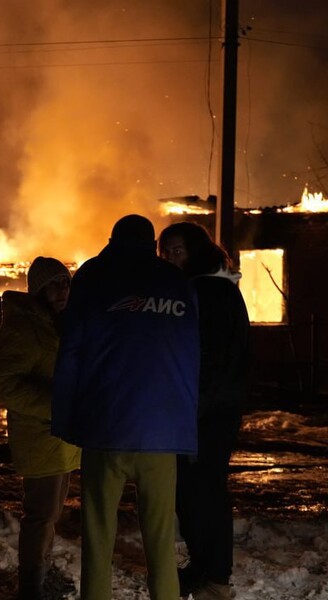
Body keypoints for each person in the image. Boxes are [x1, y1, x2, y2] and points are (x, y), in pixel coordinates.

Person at [51, 214, 199, 600]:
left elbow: (71, 352)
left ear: (112, 240)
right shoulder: (176, 283)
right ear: (152, 244)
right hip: (162, 434)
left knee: (98, 537)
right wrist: (186, 426)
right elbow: (191, 356)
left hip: (105, 429)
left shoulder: (93, 276)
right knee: (161, 541)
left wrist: (65, 421)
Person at [159, 222, 250, 600]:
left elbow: (208, 360)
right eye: (164, 254)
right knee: (194, 492)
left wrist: (192, 412)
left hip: (205, 411)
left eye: (176, 252)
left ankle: (215, 578)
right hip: (211, 407)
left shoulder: (207, 291)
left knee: (205, 493)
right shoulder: (212, 287)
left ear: (195, 251)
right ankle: (202, 566)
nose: (169, 260)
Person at [0, 256, 81, 600]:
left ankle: (41, 574)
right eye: (53, 284)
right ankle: (31, 587)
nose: (61, 290)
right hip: (40, 435)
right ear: (38, 290)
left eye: (65, 282)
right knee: (40, 516)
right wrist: (57, 406)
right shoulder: (24, 325)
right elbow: (6, 382)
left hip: (59, 436)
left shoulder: (56, 323)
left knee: (51, 513)